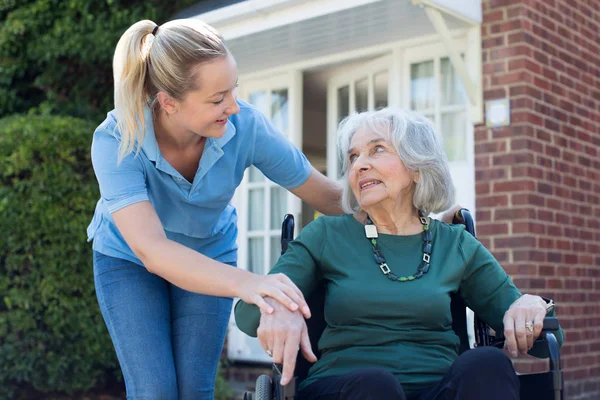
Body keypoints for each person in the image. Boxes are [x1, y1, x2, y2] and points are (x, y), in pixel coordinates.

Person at [234, 107, 564, 400]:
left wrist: (530, 307)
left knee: (489, 364)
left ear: (417, 167)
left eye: (376, 149)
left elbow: (547, 338)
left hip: (439, 387)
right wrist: (278, 305)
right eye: (353, 157)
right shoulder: (326, 235)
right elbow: (248, 317)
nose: (360, 165)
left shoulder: (454, 244)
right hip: (348, 388)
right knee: (376, 385)